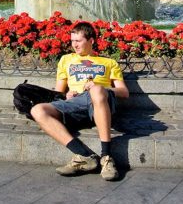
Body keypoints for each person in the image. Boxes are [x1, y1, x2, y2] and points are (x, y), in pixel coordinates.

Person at [29, 22, 128, 181]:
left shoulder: (109, 63)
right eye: (72, 41)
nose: (74, 44)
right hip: (76, 102)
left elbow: (124, 92)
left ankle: (107, 157)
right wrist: (66, 95)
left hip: (101, 101)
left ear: (91, 41)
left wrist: (101, 88)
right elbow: (58, 92)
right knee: (37, 110)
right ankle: (85, 155)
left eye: (78, 41)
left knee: (95, 90)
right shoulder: (66, 60)